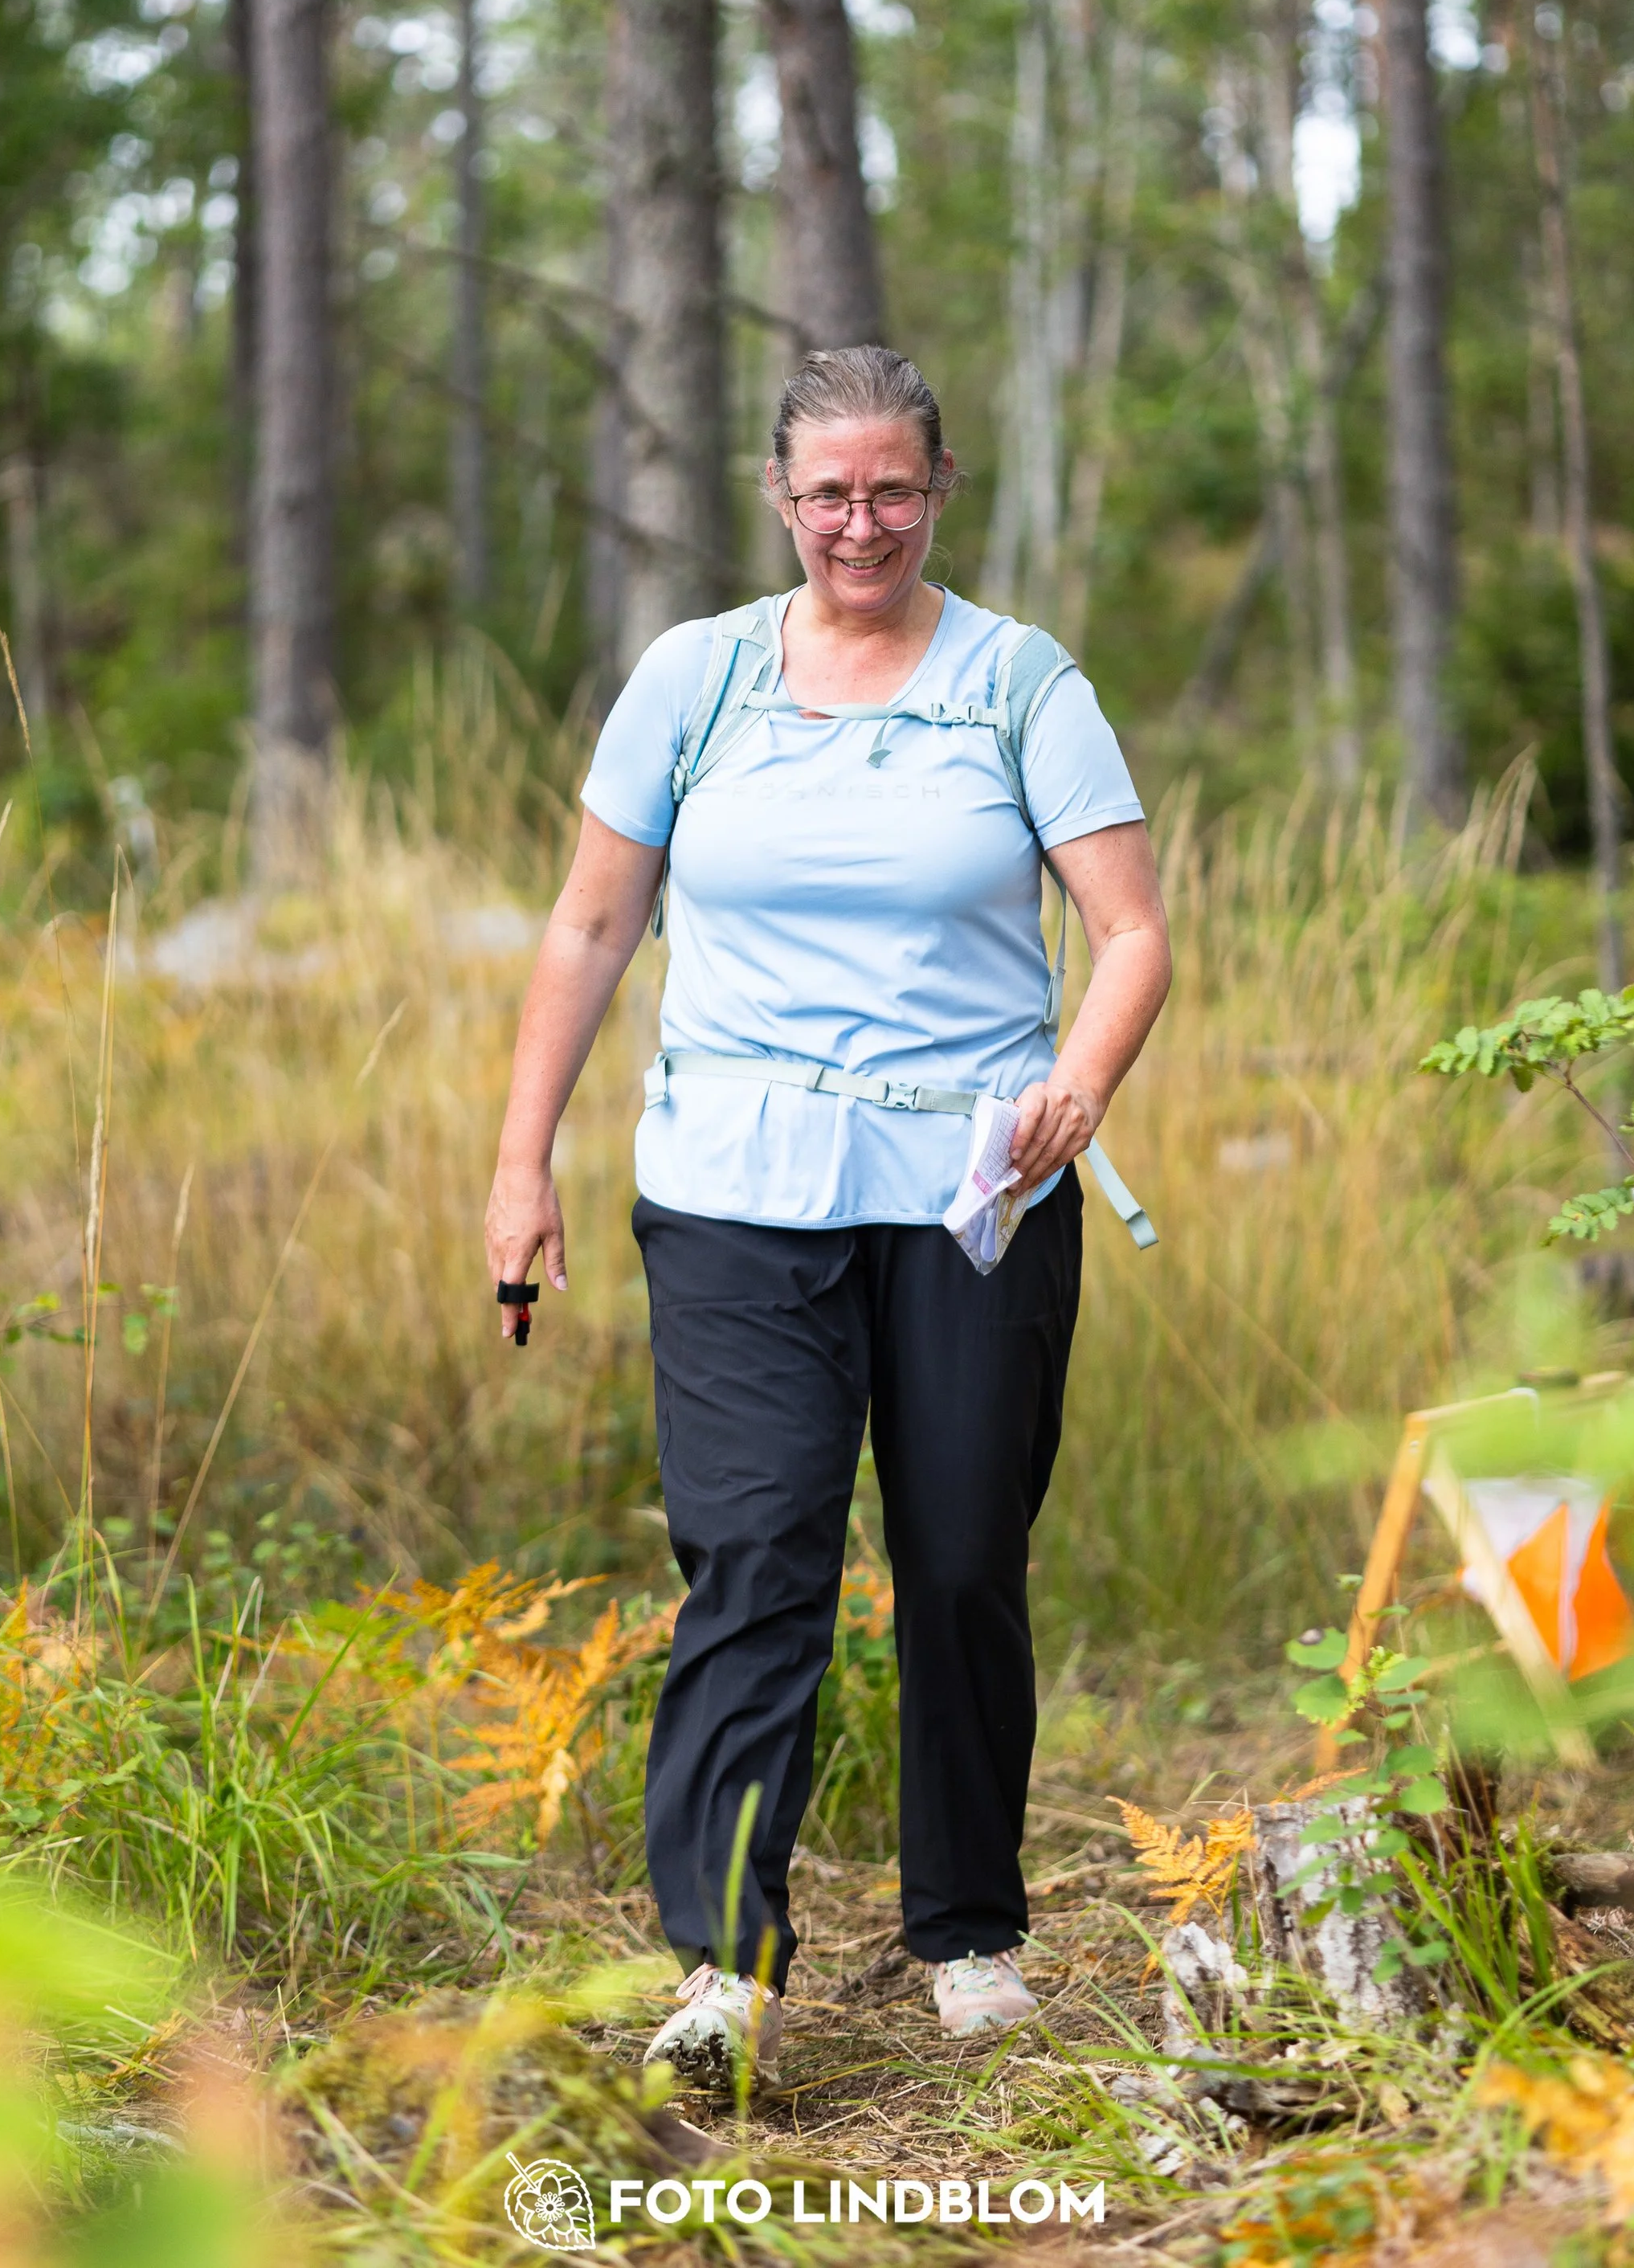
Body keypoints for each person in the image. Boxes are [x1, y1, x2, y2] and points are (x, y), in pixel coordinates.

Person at [484, 345, 1172, 2087]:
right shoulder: (692, 679)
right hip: (731, 1187)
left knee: (955, 1558)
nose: (857, 522)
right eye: (825, 492)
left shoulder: (1022, 682)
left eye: (890, 489)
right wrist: (520, 1161)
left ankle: (966, 1928)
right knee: (755, 1556)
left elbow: (1132, 933)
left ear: (939, 488)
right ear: (779, 497)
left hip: (974, 1193)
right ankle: (724, 1967)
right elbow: (584, 928)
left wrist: (1072, 1088)